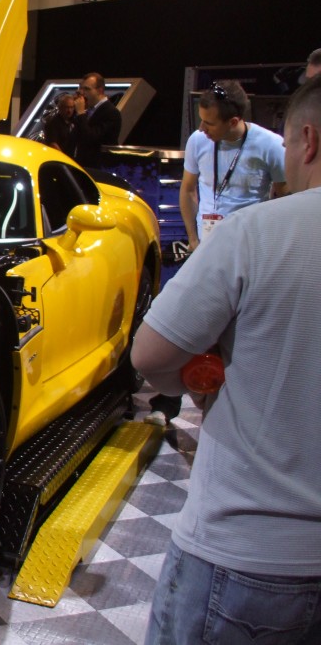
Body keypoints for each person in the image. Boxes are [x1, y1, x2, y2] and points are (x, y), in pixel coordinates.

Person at [132, 75, 321, 645]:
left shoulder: (257, 234)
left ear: (307, 142)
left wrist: (199, 379)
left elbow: (150, 354)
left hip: (250, 557)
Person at [145, 79, 288, 427]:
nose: (203, 130)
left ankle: (240, 413)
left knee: (239, 334)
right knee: (187, 325)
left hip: (250, 257)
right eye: (201, 121)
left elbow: (283, 199)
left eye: (210, 123)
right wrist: (194, 238)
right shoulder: (198, 141)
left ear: (235, 120)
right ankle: (168, 402)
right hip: (206, 248)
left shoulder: (271, 146)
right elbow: (188, 190)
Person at [73, 72, 121, 167]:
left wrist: (81, 114)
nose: (82, 93)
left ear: (100, 90)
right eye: (81, 88)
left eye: (86, 89)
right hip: (80, 165)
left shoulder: (111, 112)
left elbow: (91, 138)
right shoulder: (87, 111)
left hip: (98, 167)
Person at [41, 92, 78, 158]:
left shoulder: (74, 121)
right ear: (60, 107)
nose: (69, 110)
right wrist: (65, 159)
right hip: (59, 159)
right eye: (67, 107)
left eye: (71, 107)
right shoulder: (53, 122)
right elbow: (53, 144)